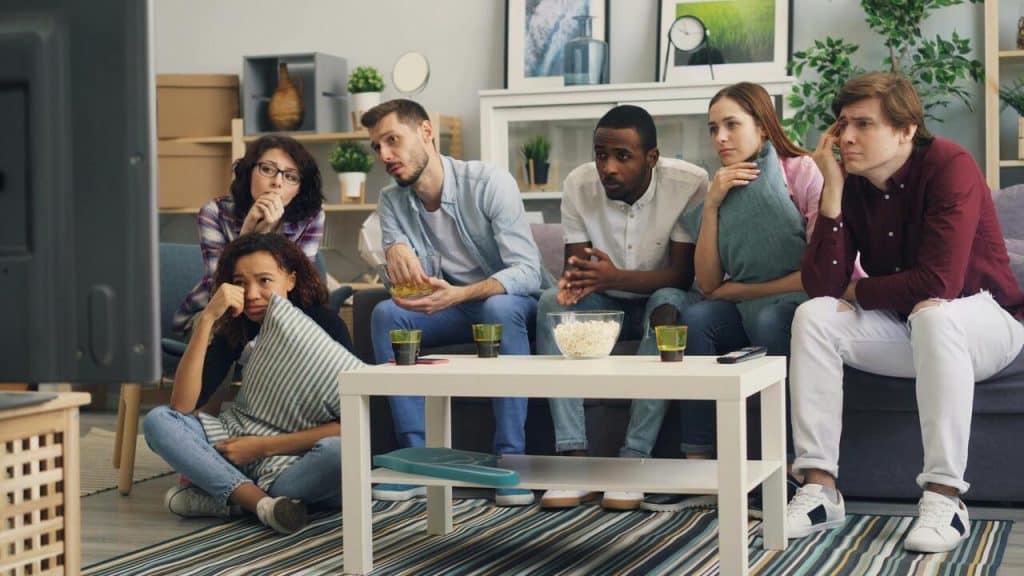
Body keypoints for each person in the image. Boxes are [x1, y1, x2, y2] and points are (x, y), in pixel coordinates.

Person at [786, 72, 1024, 553]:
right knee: (813, 317)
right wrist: (832, 192)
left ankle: (945, 499)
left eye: (863, 124)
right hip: (909, 328)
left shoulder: (950, 166)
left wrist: (861, 289)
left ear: (905, 130)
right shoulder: (852, 184)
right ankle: (820, 490)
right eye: (842, 124)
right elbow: (823, 288)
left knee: (935, 314)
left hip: (986, 322)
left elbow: (940, 283)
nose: (847, 137)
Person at [638, 82, 849, 513]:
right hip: (740, 306)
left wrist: (742, 290)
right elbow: (708, 282)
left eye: (731, 125)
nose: (720, 138)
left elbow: (823, 275)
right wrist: (713, 205)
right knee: (697, 319)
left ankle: (783, 471)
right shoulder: (718, 186)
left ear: (763, 127)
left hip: (799, 304)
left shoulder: (801, 173)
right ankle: (699, 469)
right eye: (713, 128)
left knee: (772, 321)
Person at [362, 99, 546, 507]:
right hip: (448, 308)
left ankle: (510, 460)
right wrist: (392, 250)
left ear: (426, 132)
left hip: (505, 303)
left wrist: (461, 293)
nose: (384, 155)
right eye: (377, 147)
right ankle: (415, 461)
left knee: (497, 311)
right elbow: (401, 284)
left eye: (393, 140)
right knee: (386, 315)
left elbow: (528, 272)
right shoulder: (392, 201)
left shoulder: (489, 183)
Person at [536, 105, 708, 510]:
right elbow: (579, 271)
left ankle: (634, 460)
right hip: (604, 302)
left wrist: (611, 277)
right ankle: (573, 459)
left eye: (622, 156)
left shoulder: (689, 184)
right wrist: (571, 286)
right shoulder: (578, 184)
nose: (608, 167)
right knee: (550, 304)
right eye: (601, 155)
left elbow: (681, 275)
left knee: (668, 308)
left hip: (662, 295)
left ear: (652, 158)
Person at [144, 233, 355, 534]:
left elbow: (351, 424)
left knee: (340, 453)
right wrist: (207, 320)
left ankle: (229, 498)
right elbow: (182, 405)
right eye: (240, 283)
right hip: (236, 441)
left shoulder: (324, 324)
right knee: (158, 421)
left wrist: (262, 447)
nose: (252, 293)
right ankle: (263, 505)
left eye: (264, 281)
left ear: (291, 280)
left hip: (293, 459)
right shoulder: (237, 326)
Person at [172, 135, 326, 335]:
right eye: (267, 169)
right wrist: (248, 233)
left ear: (299, 189)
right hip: (218, 313)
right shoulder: (215, 212)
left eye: (291, 177)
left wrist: (265, 235)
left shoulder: (311, 217)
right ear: (248, 172)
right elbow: (221, 286)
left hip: (280, 314)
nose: (277, 182)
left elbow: (299, 285)